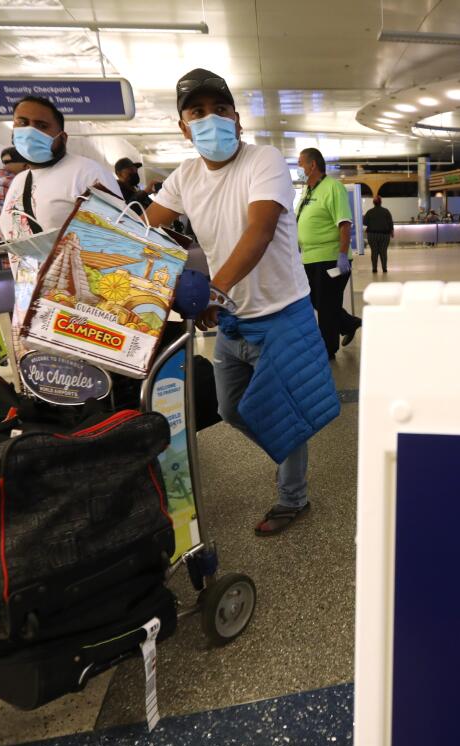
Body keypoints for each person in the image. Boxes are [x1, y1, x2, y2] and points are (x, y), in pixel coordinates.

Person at [140, 68, 338, 535]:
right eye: (197, 112)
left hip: (281, 314)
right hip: (232, 319)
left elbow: (261, 229)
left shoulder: (262, 160)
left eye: (220, 109)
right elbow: (145, 228)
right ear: (183, 127)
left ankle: (294, 497)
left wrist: (213, 288)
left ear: (237, 119)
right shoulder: (184, 176)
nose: (211, 120)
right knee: (231, 408)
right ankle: (286, 452)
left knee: (279, 408)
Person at [0, 95, 119, 241]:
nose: (30, 132)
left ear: (62, 138)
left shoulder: (87, 173)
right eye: (22, 123)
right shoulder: (19, 180)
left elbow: (117, 238)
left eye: (42, 126)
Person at [296, 147, 361, 357]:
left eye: (301, 163)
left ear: (312, 165)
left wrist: (342, 255)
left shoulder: (333, 187)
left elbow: (344, 224)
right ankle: (349, 323)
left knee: (326, 306)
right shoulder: (308, 190)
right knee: (318, 302)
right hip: (310, 258)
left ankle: (328, 349)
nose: (299, 167)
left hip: (330, 259)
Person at [364, 195, 394, 274]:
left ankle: (374, 269)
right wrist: (391, 232)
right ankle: (384, 268)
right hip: (384, 235)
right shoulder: (386, 211)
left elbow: (365, 222)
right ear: (381, 202)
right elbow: (390, 222)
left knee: (374, 252)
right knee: (383, 252)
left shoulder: (369, 212)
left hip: (372, 235)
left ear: (373, 203)